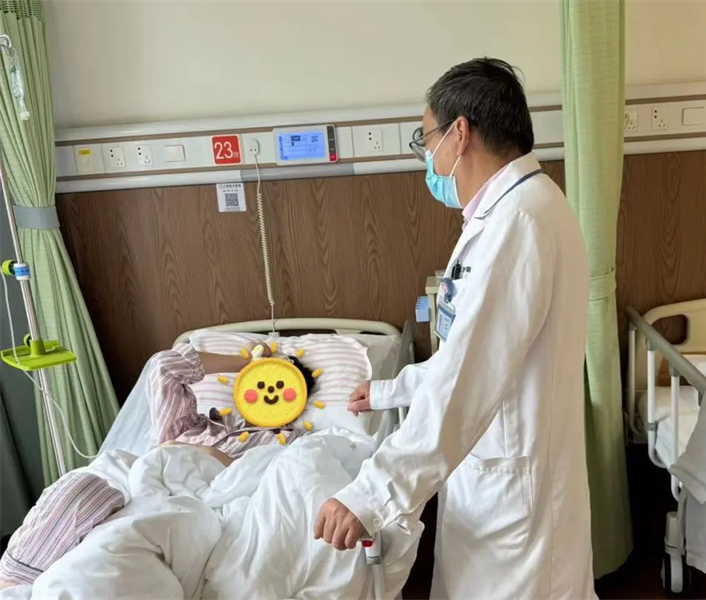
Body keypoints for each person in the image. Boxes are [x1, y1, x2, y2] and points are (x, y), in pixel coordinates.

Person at [314, 57, 596, 599]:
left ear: (459, 134)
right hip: (503, 479)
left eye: (427, 141)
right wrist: (391, 390)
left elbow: (469, 377)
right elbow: (471, 353)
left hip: (516, 501)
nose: (429, 158)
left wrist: (371, 493)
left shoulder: (518, 223)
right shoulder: (515, 209)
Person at [0, 342, 295, 589]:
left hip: (193, 505)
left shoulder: (288, 446)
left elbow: (272, 480)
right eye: (260, 380)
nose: (269, 391)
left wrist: (207, 453)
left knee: (111, 554)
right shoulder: (189, 425)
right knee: (83, 491)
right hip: (136, 485)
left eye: (285, 385)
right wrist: (248, 360)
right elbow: (164, 366)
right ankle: (12, 585)